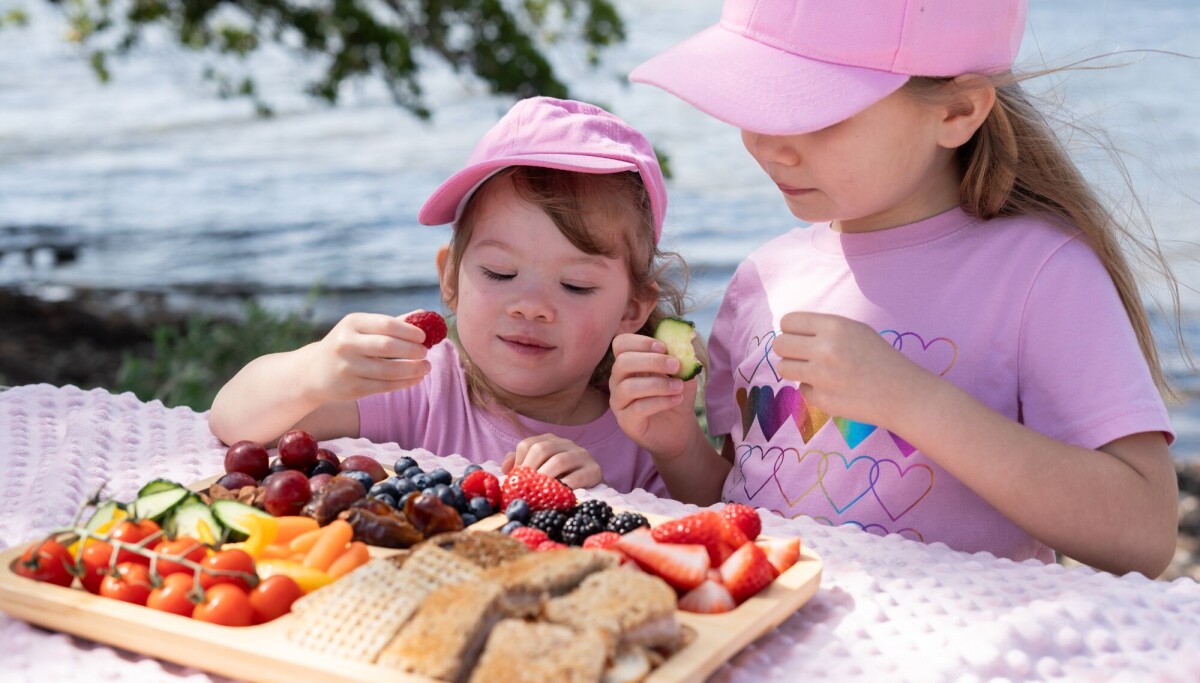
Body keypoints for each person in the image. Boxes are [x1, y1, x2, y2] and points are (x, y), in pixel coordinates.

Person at [609, 0, 1181, 576]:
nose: (768, 144)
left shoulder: (1041, 273)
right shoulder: (761, 279)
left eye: (816, 113)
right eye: (755, 100)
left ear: (958, 110)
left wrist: (910, 400)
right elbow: (738, 507)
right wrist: (677, 445)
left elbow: (1143, 535)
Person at [210, 96, 687, 496]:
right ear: (451, 279)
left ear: (631, 309)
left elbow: (712, 519)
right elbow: (233, 421)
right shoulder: (417, 387)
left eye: (575, 285)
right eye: (500, 273)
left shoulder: (642, 431)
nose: (530, 306)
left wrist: (599, 493)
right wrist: (313, 371)